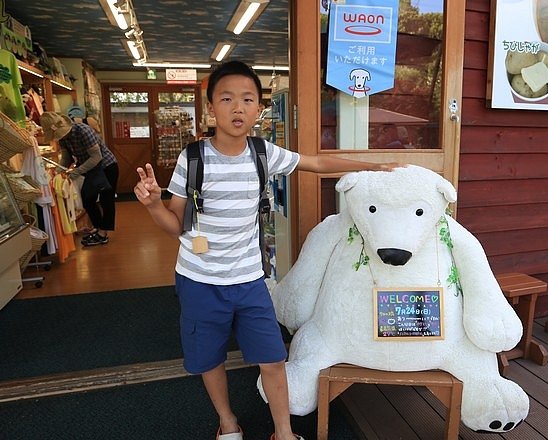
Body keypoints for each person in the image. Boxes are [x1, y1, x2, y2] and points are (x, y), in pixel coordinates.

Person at [134, 60, 402, 440]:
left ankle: (284, 432)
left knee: (273, 359)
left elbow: (317, 162)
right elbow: (178, 226)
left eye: (247, 99)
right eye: (226, 99)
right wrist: (152, 206)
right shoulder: (192, 159)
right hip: (199, 280)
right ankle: (227, 423)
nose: (237, 108)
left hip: (250, 282)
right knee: (209, 360)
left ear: (259, 109)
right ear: (211, 107)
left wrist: (374, 167)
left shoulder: (263, 153)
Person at [41, 111, 119, 246]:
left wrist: (77, 171)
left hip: (107, 166)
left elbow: (97, 157)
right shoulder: (63, 138)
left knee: (107, 200)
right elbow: (67, 157)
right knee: (87, 199)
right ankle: (98, 227)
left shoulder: (83, 130)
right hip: (90, 169)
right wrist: (58, 171)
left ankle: (103, 233)